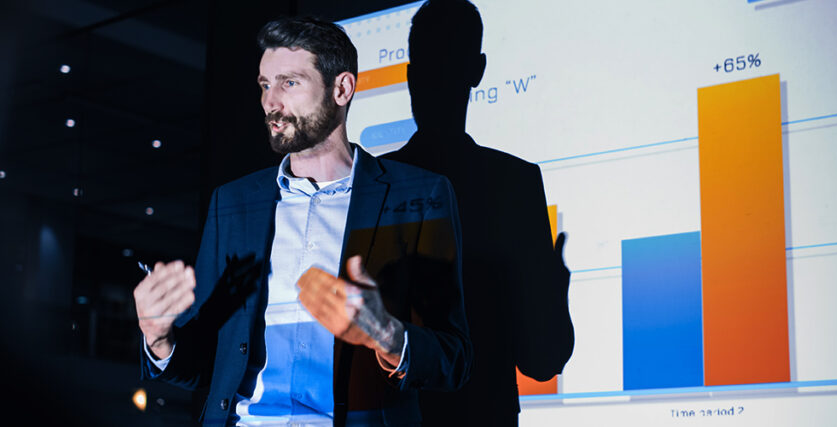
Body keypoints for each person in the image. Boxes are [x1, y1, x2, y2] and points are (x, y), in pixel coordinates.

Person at [133, 16, 470, 426]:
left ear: (341, 89)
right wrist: (159, 338)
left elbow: (453, 360)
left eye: (289, 83)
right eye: (264, 85)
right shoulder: (234, 203)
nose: (269, 102)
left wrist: (387, 335)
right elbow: (207, 367)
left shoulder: (417, 195)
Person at [383, 1, 573, 425]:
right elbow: (542, 360)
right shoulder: (515, 185)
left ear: (411, 75)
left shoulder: (375, 188)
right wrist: (553, 287)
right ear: (478, 71)